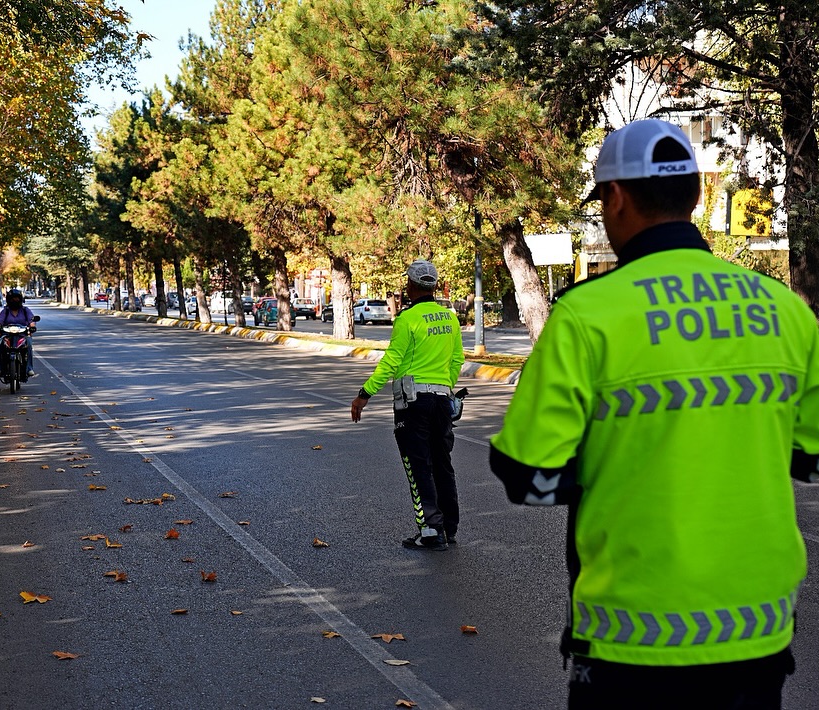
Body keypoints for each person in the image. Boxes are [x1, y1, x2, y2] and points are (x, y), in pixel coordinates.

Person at [489, 118, 819, 708]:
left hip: (632, 638)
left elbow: (528, 477)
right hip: (758, 629)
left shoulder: (588, 315)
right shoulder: (786, 312)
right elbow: (812, 462)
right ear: (694, 194)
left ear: (615, 197)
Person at [351, 259, 466, 551]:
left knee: (418, 466)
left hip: (413, 403)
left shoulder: (408, 319)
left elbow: (392, 360)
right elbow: (456, 361)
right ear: (435, 285)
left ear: (411, 286)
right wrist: (444, 388)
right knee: (442, 463)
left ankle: (430, 531)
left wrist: (366, 393)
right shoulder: (449, 318)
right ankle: (448, 528)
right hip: (442, 400)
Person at [0, 288, 37, 377]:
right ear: (9, 300)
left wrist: (32, 326)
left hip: (22, 335)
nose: (15, 300)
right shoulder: (5, 311)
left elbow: (31, 320)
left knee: (29, 345)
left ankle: (29, 368)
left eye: (17, 298)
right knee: (0, 347)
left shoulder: (25, 310)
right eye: (12, 299)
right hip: (7, 335)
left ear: (20, 299)